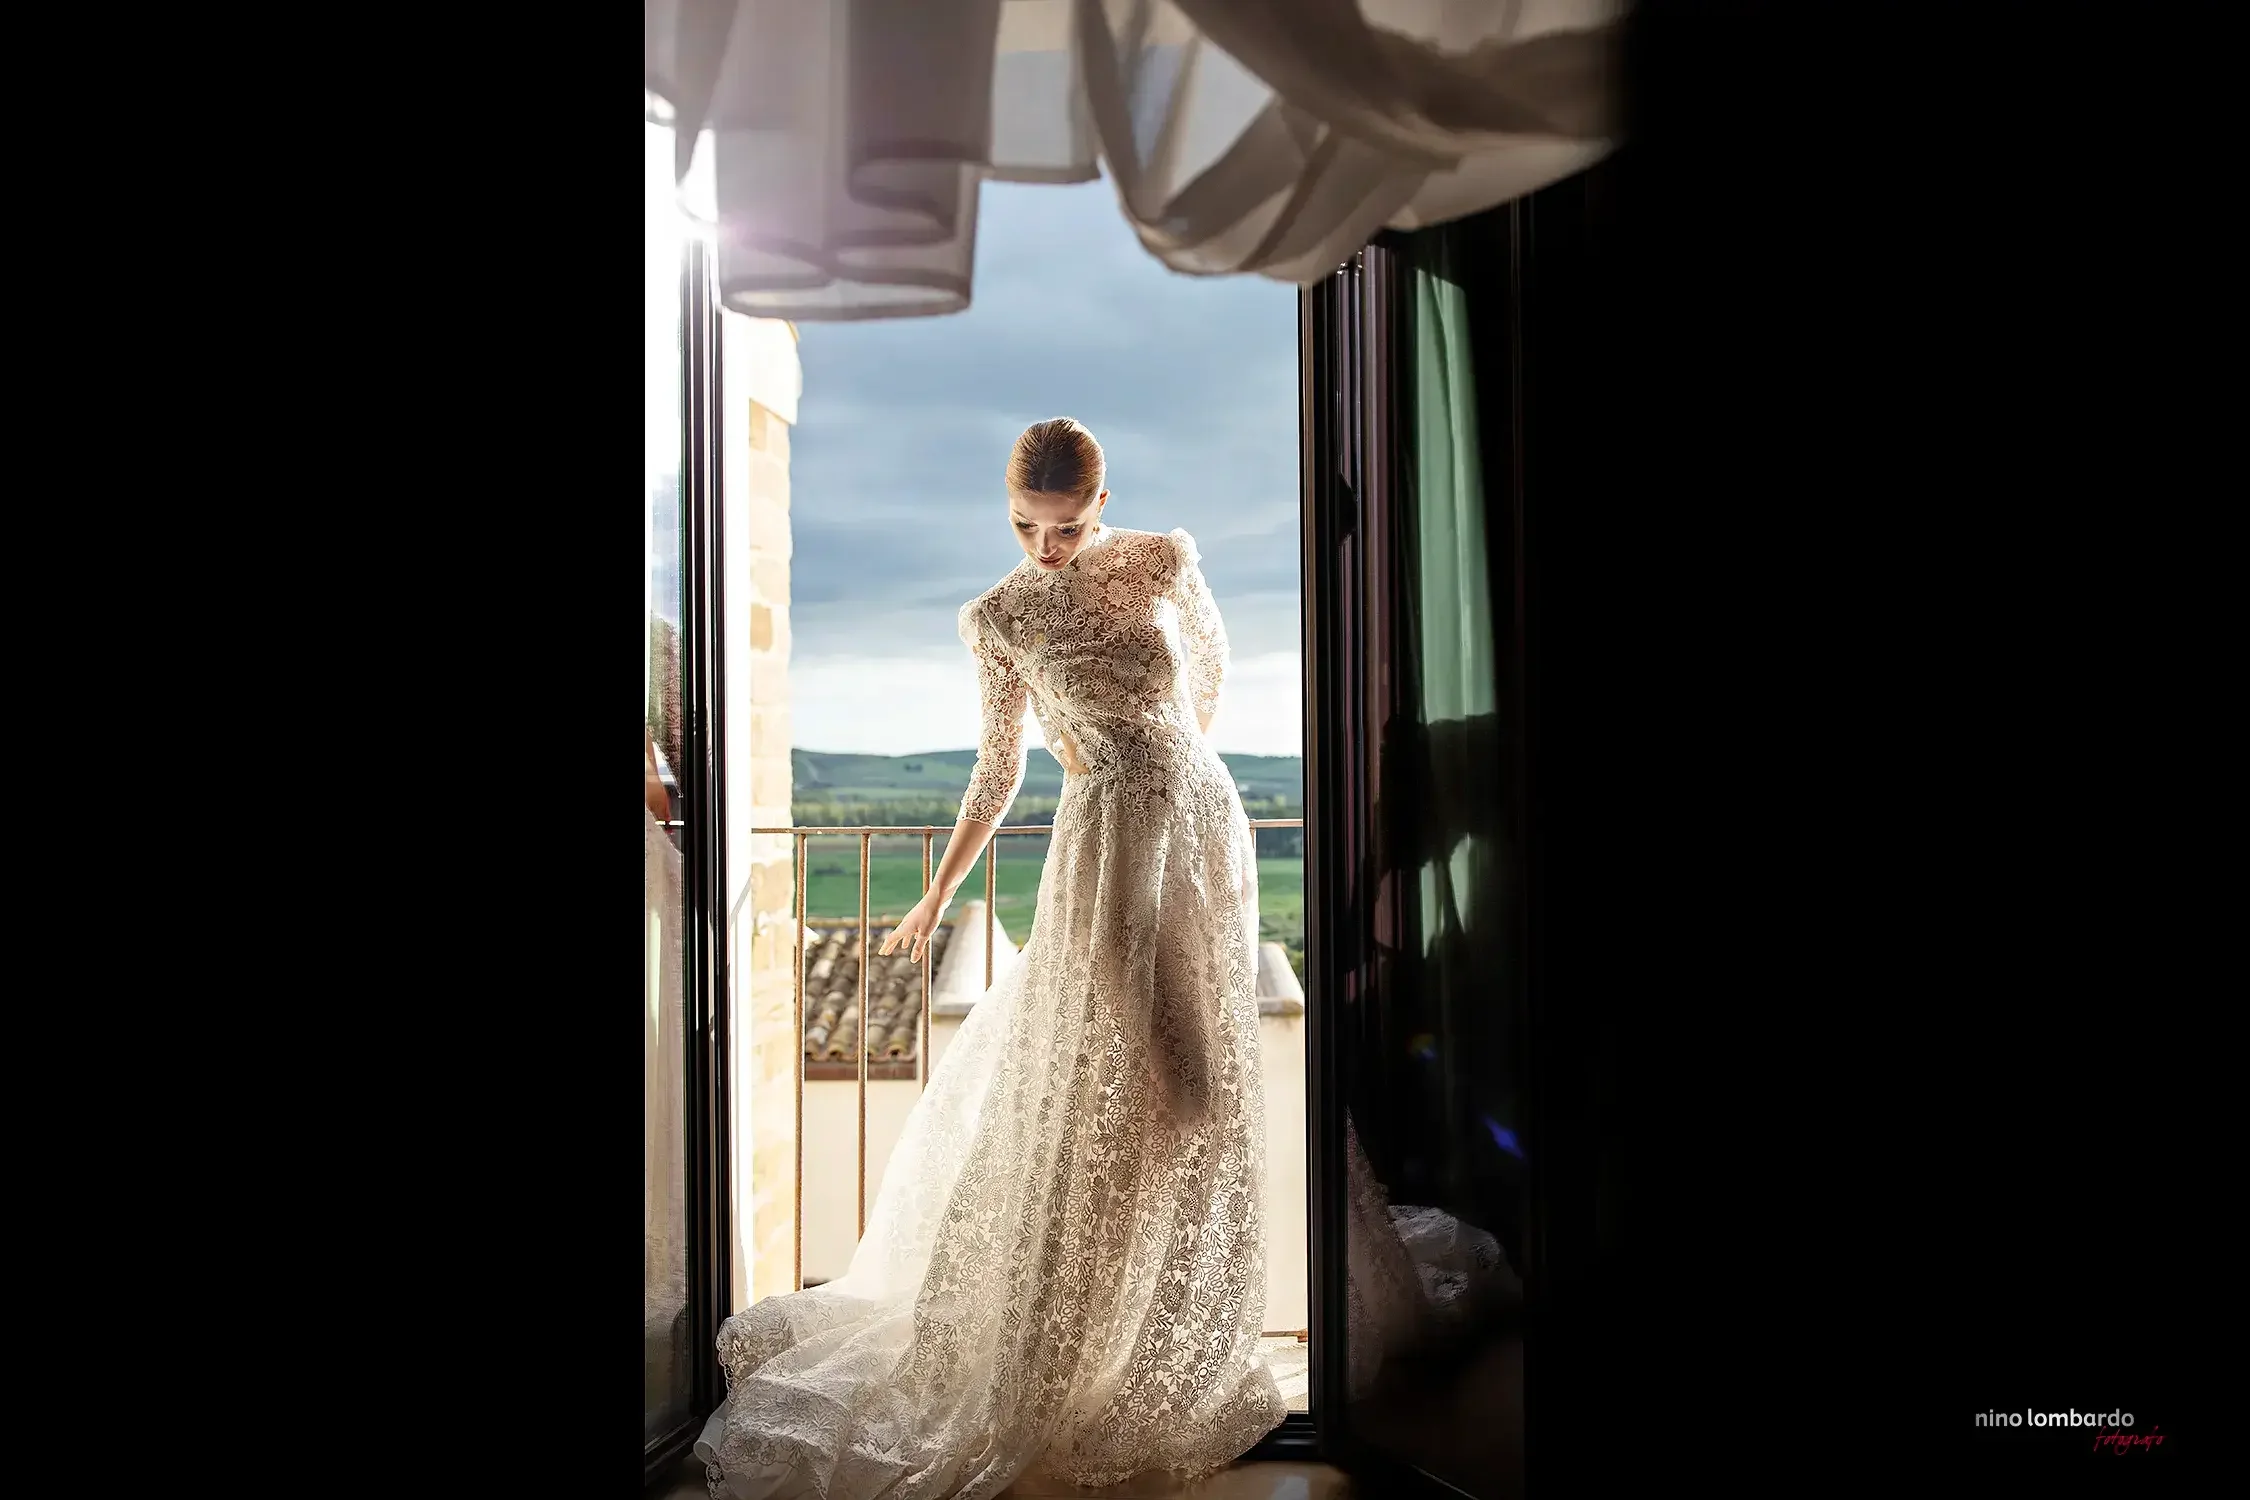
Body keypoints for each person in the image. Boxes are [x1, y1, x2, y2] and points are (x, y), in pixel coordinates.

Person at [696, 418, 1284, 1498]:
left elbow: (1211, 664)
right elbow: (997, 768)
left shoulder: (1161, 559)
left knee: (1191, 1075)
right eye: (1025, 526)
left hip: (1201, 815)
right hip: (1105, 831)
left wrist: (1180, 754)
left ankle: (1144, 1350)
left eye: (1064, 528)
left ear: (1101, 506)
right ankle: (1063, 1344)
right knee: (1157, 1069)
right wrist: (941, 886)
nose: (1045, 548)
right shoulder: (1002, 617)